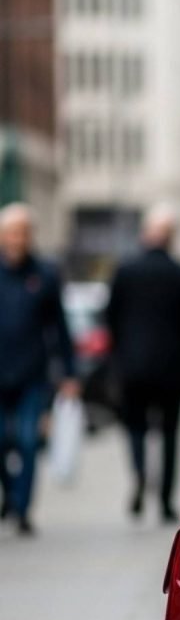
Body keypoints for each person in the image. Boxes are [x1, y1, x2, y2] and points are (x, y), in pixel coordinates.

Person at [107, 204, 180, 521]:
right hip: (172, 368)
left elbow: (111, 318)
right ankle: (163, 501)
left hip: (132, 366)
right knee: (171, 434)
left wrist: (118, 355)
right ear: (172, 237)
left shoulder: (125, 270)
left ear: (146, 234)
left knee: (135, 427)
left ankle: (139, 474)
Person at [0, 202, 80, 535]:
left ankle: (21, 508)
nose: (18, 239)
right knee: (3, 441)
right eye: (12, 233)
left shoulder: (45, 274)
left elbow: (60, 328)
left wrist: (70, 374)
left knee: (30, 441)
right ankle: (10, 494)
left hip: (33, 373)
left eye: (23, 232)